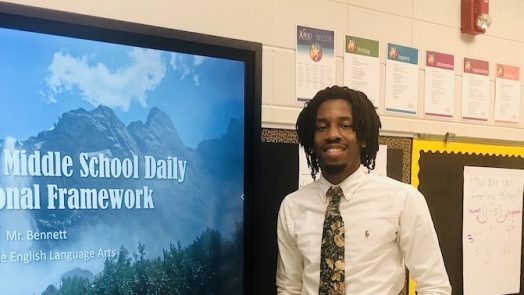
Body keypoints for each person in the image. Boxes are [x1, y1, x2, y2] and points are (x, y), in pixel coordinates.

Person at [276, 86, 451, 294]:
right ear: (311, 141)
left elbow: (433, 284)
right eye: (322, 127)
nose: (333, 134)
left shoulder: (403, 199)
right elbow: (289, 286)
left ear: (364, 137)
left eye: (345, 125)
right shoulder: (293, 206)